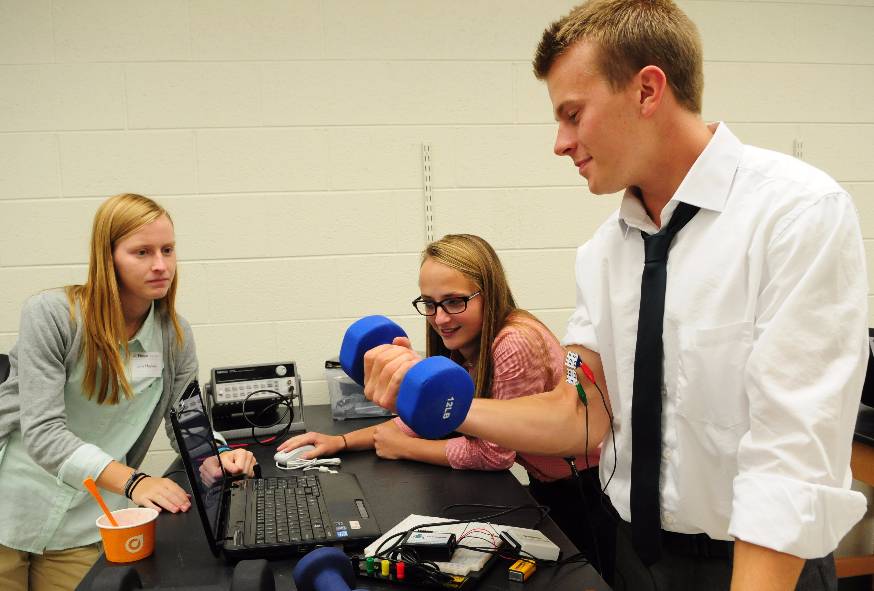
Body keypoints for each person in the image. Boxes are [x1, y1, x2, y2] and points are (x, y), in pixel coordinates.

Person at [360, 1, 868, 590]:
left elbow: (791, 455)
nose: (560, 142)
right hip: (639, 560)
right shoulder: (605, 252)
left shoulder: (796, 213)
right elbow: (580, 415)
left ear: (648, 91)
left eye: (573, 114)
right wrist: (439, 404)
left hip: (761, 565)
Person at [278, 233, 615, 578]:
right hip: (550, 482)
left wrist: (405, 448)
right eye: (430, 303)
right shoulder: (465, 343)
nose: (439, 318)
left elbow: (494, 454)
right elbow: (424, 418)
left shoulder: (513, 341)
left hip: (589, 488)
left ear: (489, 293)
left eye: (454, 301)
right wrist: (342, 442)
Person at [0, 193, 256, 591]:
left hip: (89, 520)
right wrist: (136, 482)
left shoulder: (174, 335)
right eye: (142, 252)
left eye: (167, 250)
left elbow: (184, 422)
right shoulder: (52, 315)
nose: (160, 265)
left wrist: (218, 457)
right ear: (108, 257)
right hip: (11, 504)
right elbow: (43, 433)